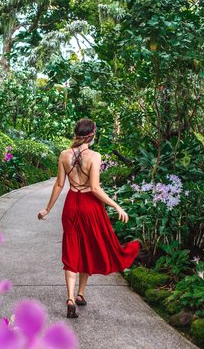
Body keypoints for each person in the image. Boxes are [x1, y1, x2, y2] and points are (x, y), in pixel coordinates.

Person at [38, 118, 140, 318]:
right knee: (88, 248)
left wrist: (47, 209)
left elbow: (59, 185)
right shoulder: (94, 156)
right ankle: (81, 294)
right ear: (92, 135)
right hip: (89, 206)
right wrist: (116, 205)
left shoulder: (64, 155)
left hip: (71, 205)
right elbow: (94, 188)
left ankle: (70, 297)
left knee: (72, 247)